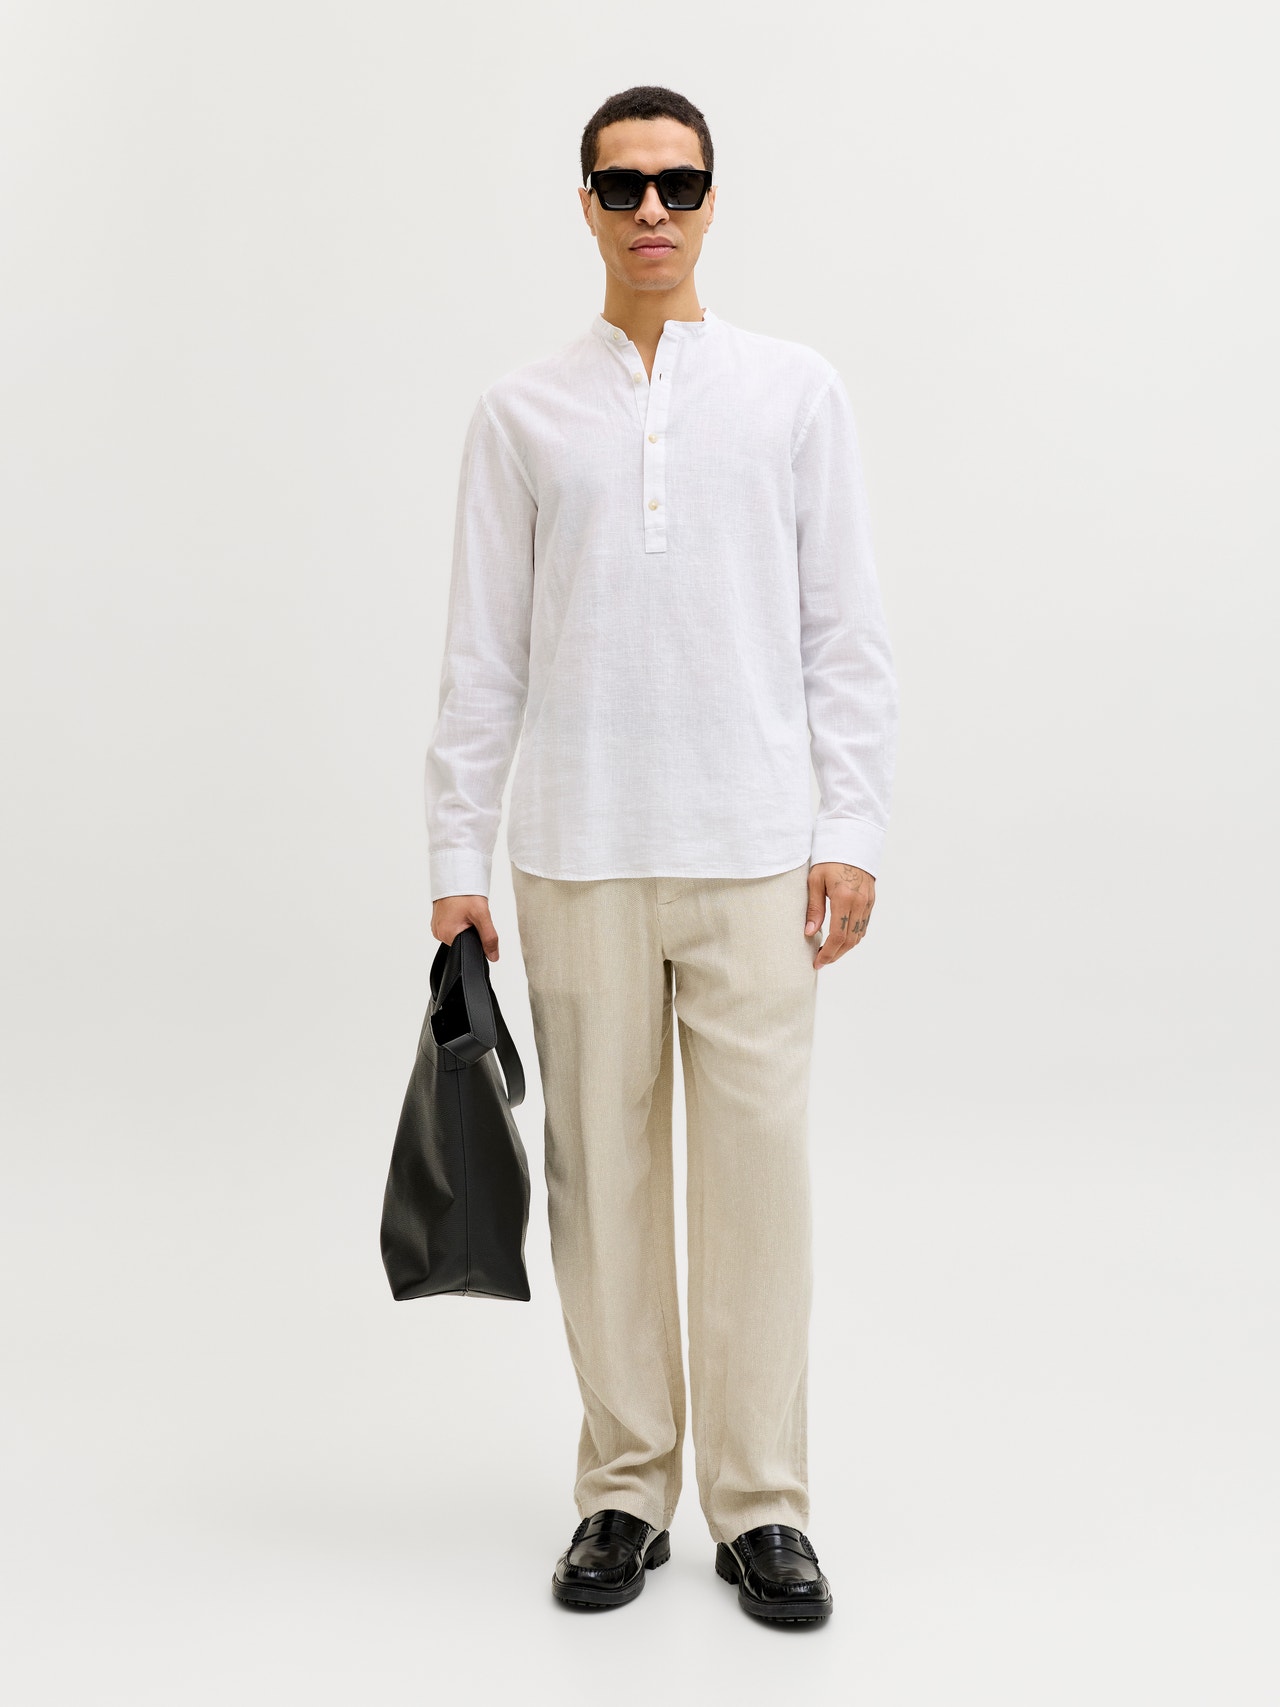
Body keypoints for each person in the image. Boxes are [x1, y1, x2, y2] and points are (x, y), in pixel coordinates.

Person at [423, 84, 898, 1625]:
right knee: (600, 1184)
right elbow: (481, 658)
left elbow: (845, 633)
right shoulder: (522, 414)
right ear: (584, 204)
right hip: (577, 853)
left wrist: (849, 827)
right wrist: (456, 860)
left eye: (677, 184)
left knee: (758, 1190)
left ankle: (762, 1506)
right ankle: (625, 1489)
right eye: (623, 185)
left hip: (756, 854)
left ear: (709, 202)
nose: (651, 211)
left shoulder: (794, 394)